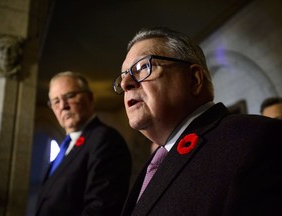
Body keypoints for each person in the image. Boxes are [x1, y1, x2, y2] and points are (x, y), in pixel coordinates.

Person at [112, 27, 282, 216]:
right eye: (124, 75)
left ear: (194, 79)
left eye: (143, 67)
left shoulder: (255, 138)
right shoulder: (154, 164)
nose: (126, 83)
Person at [35, 71, 132, 216]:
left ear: (89, 98)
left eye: (70, 96)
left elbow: (100, 208)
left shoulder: (104, 139)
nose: (63, 106)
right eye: (56, 101)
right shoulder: (66, 147)